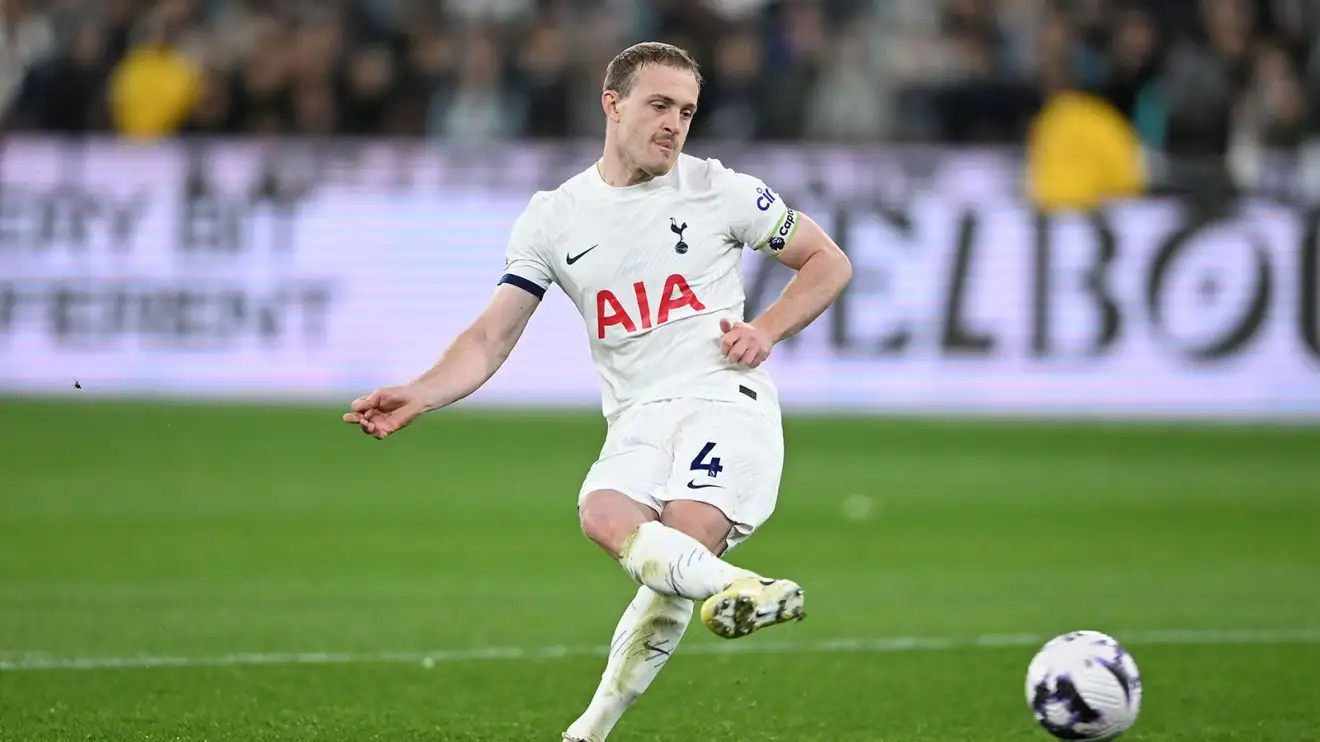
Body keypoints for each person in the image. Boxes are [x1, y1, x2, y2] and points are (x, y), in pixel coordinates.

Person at [342, 42, 853, 742]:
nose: (674, 124)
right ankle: (738, 586)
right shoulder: (554, 217)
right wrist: (421, 393)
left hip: (722, 401)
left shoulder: (721, 189)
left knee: (683, 543)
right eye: (659, 105)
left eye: (687, 112)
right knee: (603, 515)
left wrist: (765, 329)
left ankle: (587, 732)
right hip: (637, 413)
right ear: (612, 104)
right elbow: (491, 336)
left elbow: (827, 261)